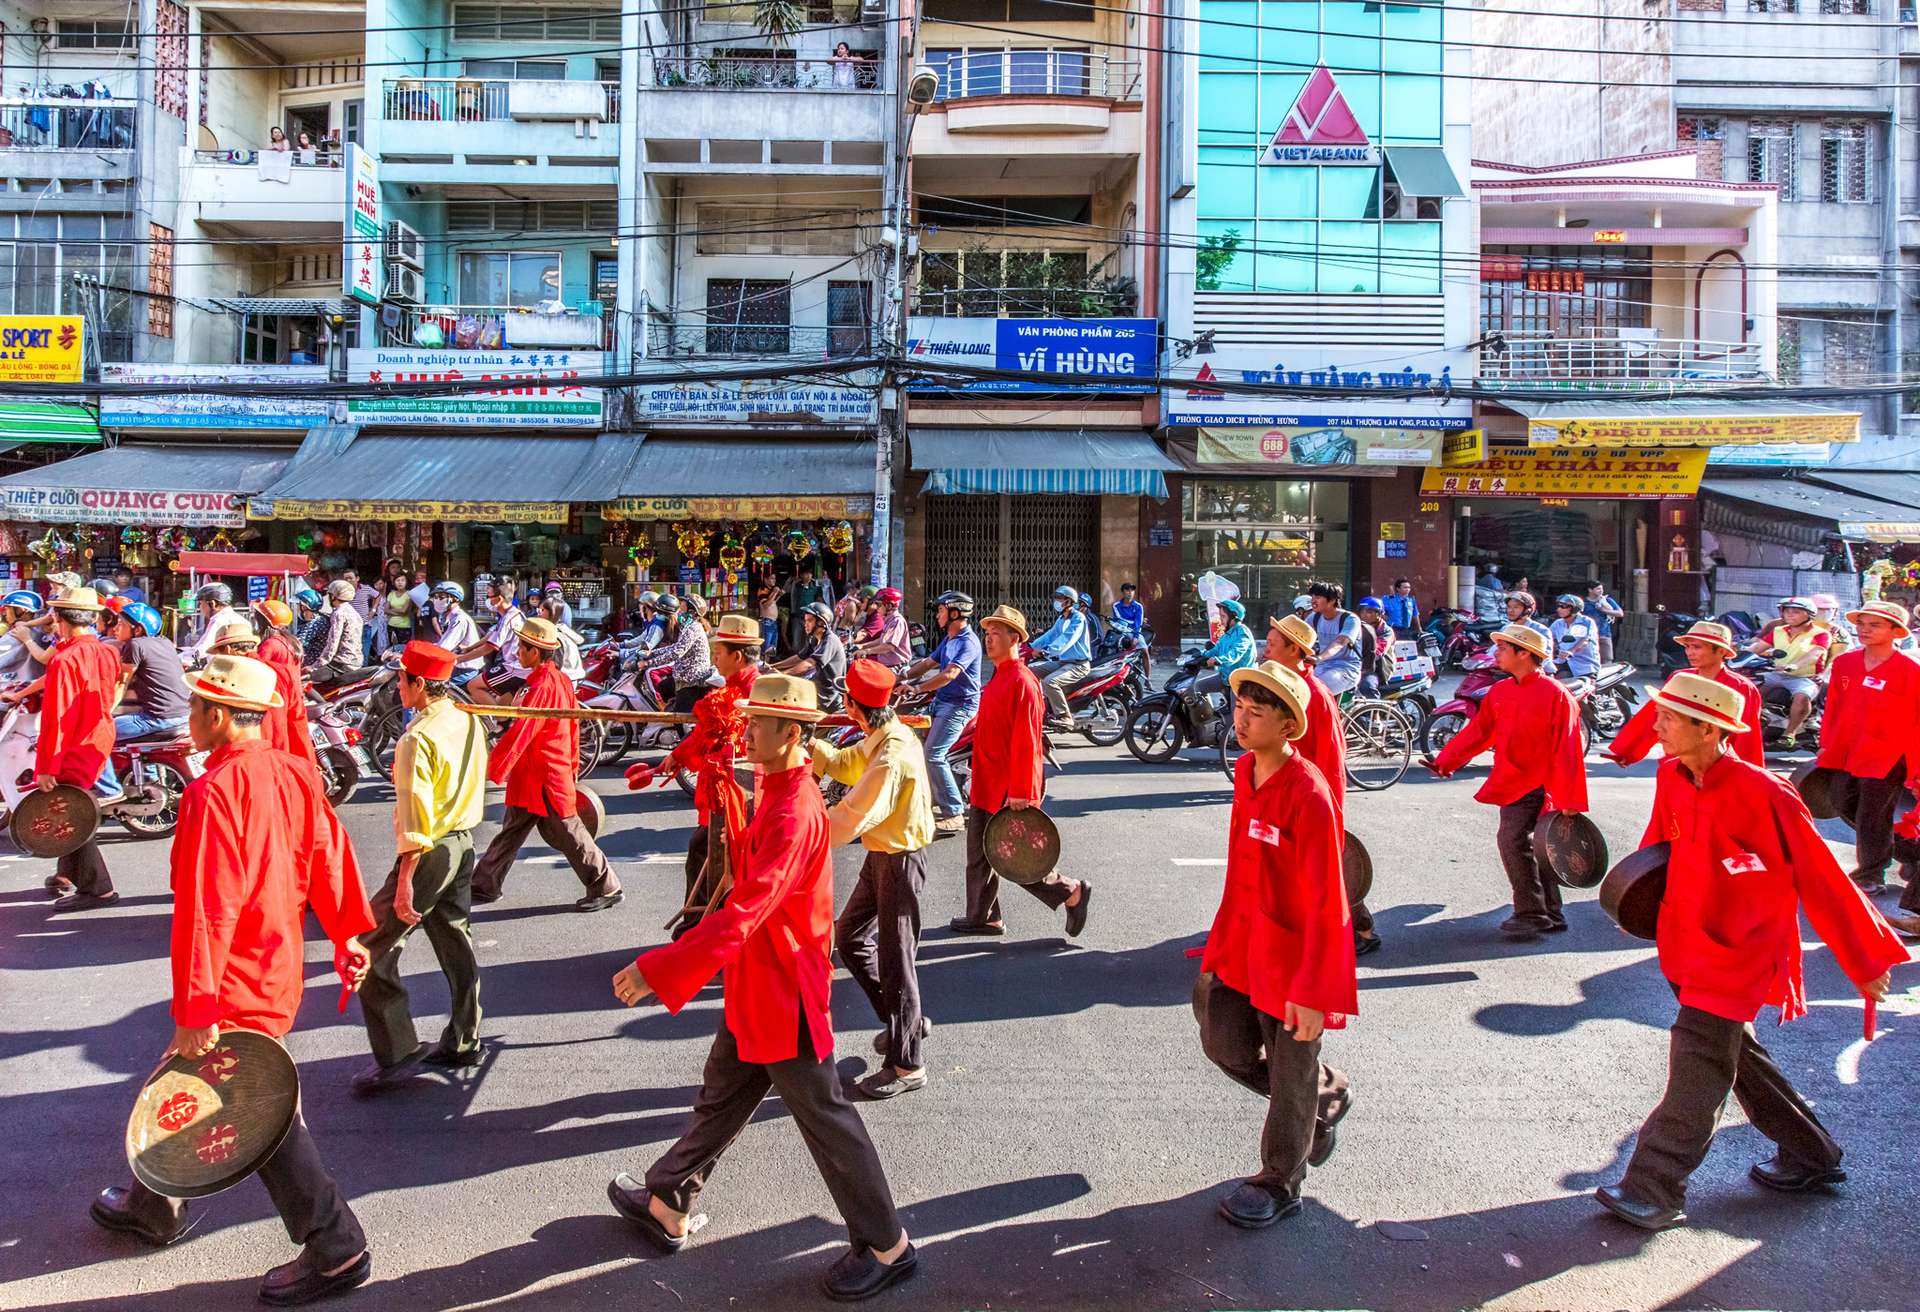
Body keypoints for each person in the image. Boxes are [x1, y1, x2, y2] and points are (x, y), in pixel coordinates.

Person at [607, 674, 917, 1302]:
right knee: (720, 1096)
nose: (748, 731)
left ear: (793, 733)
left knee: (828, 1121)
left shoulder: (795, 807)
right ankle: (669, 1197)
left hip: (783, 992)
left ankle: (889, 1245)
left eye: (759, 724)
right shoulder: (775, 790)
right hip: (757, 983)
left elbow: (746, 910)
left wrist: (663, 968)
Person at [87, 653, 378, 1305]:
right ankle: (152, 1203)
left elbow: (206, 908)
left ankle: (336, 1245)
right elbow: (330, 855)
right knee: (191, 1086)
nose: (187, 718)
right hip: (275, 965)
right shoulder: (295, 772)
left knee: (256, 1108)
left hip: (234, 978)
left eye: (194, 708)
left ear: (218, 715)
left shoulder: (213, 792)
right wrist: (348, 935)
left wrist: (197, 1005)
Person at [1593, 672, 1907, 1234]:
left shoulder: (1766, 792)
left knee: (1700, 1062)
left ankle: (1654, 1186)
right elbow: (1658, 850)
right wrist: (1633, 906)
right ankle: (1813, 1156)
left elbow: (1822, 878)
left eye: (1668, 718)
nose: (1656, 726)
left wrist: (1865, 959)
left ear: (1709, 729)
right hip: (1684, 941)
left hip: (1740, 951)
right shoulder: (1673, 774)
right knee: (1740, 1058)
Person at [1200, 659, 1357, 1229]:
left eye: (1256, 712)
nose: (1240, 720)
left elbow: (1327, 903)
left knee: (1290, 1075)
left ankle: (1279, 1181)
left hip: (1295, 962)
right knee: (1224, 1045)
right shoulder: (1245, 772)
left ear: (1289, 726)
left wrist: (1317, 991)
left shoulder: (1309, 794)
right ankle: (1324, 1096)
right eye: (1239, 708)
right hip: (1243, 947)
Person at [351, 641, 489, 1096]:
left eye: (402, 681)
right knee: (454, 940)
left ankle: (397, 1050)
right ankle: (465, 1036)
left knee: (369, 948)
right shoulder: (467, 718)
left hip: (429, 851)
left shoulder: (416, 738)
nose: (399, 690)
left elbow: (416, 815)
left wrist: (406, 879)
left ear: (419, 684)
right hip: (463, 842)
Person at [812, 659, 937, 1100]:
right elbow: (850, 763)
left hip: (900, 861)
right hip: (883, 855)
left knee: (896, 962)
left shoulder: (892, 754)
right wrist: (816, 750)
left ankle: (907, 1064)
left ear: (852, 706)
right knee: (848, 937)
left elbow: (856, 812)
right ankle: (905, 1022)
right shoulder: (885, 736)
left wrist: (806, 833)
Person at [1428, 623, 1589, 939]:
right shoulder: (1500, 692)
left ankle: (1532, 913)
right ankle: (1550, 913)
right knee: (1536, 847)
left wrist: (1570, 800)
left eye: (1503, 648)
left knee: (1514, 841)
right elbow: (1478, 732)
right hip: (1512, 780)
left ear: (1525, 654)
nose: (1496, 653)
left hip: (1542, 785)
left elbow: (1569, 749)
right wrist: (1445, 761)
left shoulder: (1557, 696)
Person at [949, 606, 1091, 938]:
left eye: (996, 633)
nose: (989, 638)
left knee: (1018, 859)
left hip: (1006, 788)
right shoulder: (999, 676)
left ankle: (1071, 891)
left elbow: (1028, 741)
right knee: (979, 854)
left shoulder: (1023, 681)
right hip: (985, 781)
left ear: (1015, 638)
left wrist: (1021, 790)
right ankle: (984, 916)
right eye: (987, 633)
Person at [471, 618, 621, 912]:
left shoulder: (542, 685)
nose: (517, 653)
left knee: (569, 832)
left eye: (521, 648)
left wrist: (493, 766)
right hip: (539, 771)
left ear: (535, 652)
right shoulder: (558, 681)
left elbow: (524, 730)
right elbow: (573, 728)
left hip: (543, 774)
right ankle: (485, 884)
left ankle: (606, 885)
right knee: (511, 831)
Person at [628, 614, 764, 936]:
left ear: (737, 656)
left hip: (742, 792)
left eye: (719, 652)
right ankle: (700, 927)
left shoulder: (756, 692)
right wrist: (673, 759)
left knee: (719, 856)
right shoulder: (733, 688)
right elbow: (705, 735)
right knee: (713, 854)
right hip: (732, 789)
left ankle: (703, 931)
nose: (713, 658)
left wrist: (676, 758)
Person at [3, 587, 123, 909]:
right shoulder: (106, 651)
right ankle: (66, 875)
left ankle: (99, 889)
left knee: (68, 810)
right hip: (97, 738)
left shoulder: (64, 660)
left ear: (58, 617)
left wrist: (46, 768)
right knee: (68, 804)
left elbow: (57, 720)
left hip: (73, 745)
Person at [1267, 613, 1377, 955]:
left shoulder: (1316, 694)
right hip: (1284, 795)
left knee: (1325, 871)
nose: (1265, 649)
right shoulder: (1280, 686)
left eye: (1272, 644)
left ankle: (1362, 930)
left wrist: (1327, 811)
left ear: (1294, 650)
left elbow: (1331, 761)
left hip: (1310, 799)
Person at [1815, 600, 1920, 896]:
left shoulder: (1911, 670)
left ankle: (1871, 874)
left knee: (1872, 814)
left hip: (1888, 755)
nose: (1864, 630)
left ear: (1895, 631)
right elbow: (1833, 706)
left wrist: (1915, 769)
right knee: (1841, 801)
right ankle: (1910, 852)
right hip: (1847, 750)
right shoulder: (1845, 663)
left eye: (1874, 625)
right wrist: (1826, 745)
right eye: (1861, 623)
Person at [1609, 621, 1764, 769]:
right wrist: (1627, 751)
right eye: (1687, 647)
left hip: (1719, 766)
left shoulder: (1742, 687)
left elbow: (1747, 738)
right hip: (1677, 762)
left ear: (1721, 651)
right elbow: (1654, 716)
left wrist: (1747, 777)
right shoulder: (1680, 678)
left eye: (1696, 647)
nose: (1690, 652)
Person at [904, 591, 981, 834]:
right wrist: (899, 676)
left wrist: (916, 688)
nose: (937, 615)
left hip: (960, 706)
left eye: (940, 610)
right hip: (942, 701)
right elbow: (928, 663)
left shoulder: (968, 642)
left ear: (954, 613)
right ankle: (932, 793)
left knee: (934, 754)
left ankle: (953, 812)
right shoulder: (950, 638)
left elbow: (949, 675)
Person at [1748, 596, 1832, 751]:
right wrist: (1735, 653)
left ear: (1809, 614)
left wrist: (1795, 665)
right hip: (1775, 673)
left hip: (1803, 677)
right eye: (1787, 611)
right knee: (1749, 689)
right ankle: (1752, 724)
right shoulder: (1778, 630)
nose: (1790, 615)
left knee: (1802, 697)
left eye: (1796, 612)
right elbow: (1758, 648)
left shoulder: (1821, 634)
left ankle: (1790, 733)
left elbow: (1816, 653)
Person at [251, 600, 319, 774]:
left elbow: (257, 668)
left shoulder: (270, 644)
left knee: (278, 742)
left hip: (277, 701)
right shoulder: (291, 641)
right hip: (294, 699)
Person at [110, 602, 191, 743]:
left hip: (159, 719)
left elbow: (122, 683)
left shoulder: (135, 645)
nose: (115, 628)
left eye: (120, 624)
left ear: (137, 630)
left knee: (97, 733)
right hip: (185, 715)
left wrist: (104, 712)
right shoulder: (165, 642)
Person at [638, 594, 715, 713]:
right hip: (682, 675)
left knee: (680, 720)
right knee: (662, 688)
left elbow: (676, 652)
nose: (679, 610)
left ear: (690, 610)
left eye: (682, 606)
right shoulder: (687, 627)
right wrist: (652, 653)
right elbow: (675, 647)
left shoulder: (693, 628)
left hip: (691, 680)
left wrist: (649, 663)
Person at [1029, 584, 1093, 726]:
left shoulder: (1078, 618)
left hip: (1078, 665)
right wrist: (1030, 646)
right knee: (1030, 671)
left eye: (1060, 598)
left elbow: (1067, 639)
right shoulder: (1061, 619)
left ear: (1069, 601)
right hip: (1064, 662)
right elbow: (1049, 636)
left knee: (1050, 681)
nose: (1056, 601)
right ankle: (1039, 706)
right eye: (1056, 598)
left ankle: (1065, 716)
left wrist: (1047, 651)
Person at [458, 583, 528, 706]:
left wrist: (459, 660)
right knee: (502, 706)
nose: (487, 600)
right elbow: (491, 636)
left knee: (473, 686)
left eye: (489, 596)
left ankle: (492, 723)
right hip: (518, 666)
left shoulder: (508, 618)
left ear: (499, 599)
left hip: (515, 667)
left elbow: (490, 647)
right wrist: (469, 648)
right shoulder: (512, 614)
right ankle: (500, 723)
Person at [777, 600, 847, 712]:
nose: (805, 624)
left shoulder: (830, 640)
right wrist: (774, 666)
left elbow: (809, 664)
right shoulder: (815, 639)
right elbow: (800, 657)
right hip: (815, 687)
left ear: (822, 623)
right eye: (805, 621)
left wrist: (783, 674)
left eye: (809, 621)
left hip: (826, 697)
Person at [1194, 598, 1255, 704]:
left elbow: (1235, 653)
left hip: (1240, 680)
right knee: (1199, 686)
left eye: (1223, 616)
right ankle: (1208, 716)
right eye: (1220, 616)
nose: (1220, 620)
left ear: (1233, 617)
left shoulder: (1242, 633)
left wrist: (1218, 660)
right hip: (1226, 676)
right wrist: (1199, 655)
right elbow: (1215, 649)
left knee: (1234, 713)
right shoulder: (1227, 634)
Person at [1307, 582, 1363, 697]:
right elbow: (1300, 636)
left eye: (1317, 597)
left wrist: (1319, 657)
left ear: (1332, 600)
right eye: (1312, 597)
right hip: (1322, 667)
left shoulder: (1350, 619)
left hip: (1346, 669)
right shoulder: (1314, 617)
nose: (1313, 600)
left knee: (1316, 693)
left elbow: (1340, 642)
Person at [309, 580, 365, 685]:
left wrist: (315, 665)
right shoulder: (354, 612)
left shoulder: (339, 613)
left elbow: (332, 643)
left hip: (341, 663)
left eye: (329, 594)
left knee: (307, 681)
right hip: (356, 662)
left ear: (334, 596)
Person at [426, 582, 482, 686]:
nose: (437, 600)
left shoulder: (459, 619)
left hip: (464, 669)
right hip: (456, 665)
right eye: (435, 597)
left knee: (431, 688)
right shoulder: (448, 618)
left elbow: (443, 648)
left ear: (454, 599)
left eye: (441, 597)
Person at [182, 582, 242, 667]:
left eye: (201, 603)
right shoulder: (239, 619)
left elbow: (202, 650)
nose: (200, 607)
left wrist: (178, 658)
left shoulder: (220, 621)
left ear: (213, 603)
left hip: (219, 673)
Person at [851, 587, 911, 670]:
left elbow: (889, 646)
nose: (876, 607)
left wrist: (866, 651)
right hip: (885, 664)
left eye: (879, 604)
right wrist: (861, 646)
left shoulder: (897, 621)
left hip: (896, 668)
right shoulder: (888, 620)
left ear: (889, 606)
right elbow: (882, 640)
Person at [1501, 590, 1557, 676]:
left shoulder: (1540, 630)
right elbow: (1497, 649)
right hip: (1510, 672)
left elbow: (1545, 656)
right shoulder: (1506, 628)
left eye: (1516, 607)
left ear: (1527, 610)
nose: (1510, 610)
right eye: (1508, 607)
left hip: (1539, 674)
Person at [0, 589, 48, 685]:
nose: (4, 613)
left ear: (21, 610)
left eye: (7, 608)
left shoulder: (18, 633)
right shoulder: (43, 631)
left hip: (12, 687)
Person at [1549, 593, 1601, 680]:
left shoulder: (1586, 622)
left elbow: (1585, 640)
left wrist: (1571, 651)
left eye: (1563, 606)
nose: (1559, 609)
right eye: (1558, 606)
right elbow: (1548, 638)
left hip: (1584, 665)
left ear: (1574, 609)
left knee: (1586, 688)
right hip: (1562, 661)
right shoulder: (1558, 623)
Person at [1353, 595, 1392, 697]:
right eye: (1362, 611)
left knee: (1366, 686)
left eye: (1369, 612)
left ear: (1379, 614)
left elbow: (1378, 653)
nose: (1365, 615)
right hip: (1356, 665)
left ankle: (1376, 711)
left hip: (1376, 668)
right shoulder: (1356, 627)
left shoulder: (1385, 631)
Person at [785, 561, 827, 654]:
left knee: (808, 641)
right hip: (797, 617)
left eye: (810, 574)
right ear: (801, 575)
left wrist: (825, 578)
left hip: (809, 619)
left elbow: (824, 591)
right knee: (796, 642)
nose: (808, 576)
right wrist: (791, 579)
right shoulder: (796, 586)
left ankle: (806, 660)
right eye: (805, 574)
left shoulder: (815, 587)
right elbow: (785, 590)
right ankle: (795, 659)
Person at [344, 569, 382, 663]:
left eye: (350, 578)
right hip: (349, 628)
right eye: (345, 579)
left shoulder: (366, 588)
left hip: (364, 626)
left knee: (364, 653)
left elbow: (377, 596)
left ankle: (363, 674)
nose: (348, 581)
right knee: (351, 654)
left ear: (357, 578)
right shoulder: (342, 591)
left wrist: (373, 610)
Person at [1584, 581, 1623, 664]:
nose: (1601, 591)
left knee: (1607, 660)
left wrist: (1603, 610)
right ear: (1590, 590)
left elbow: (1620, 613)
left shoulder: (1607, 600)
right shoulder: (1584, 603)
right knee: (1589, 659)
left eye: (1602, 589)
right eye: (1598, 589)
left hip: (1604, 634)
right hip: (1587, 636)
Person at [381, 563, 414, 654]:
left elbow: (404, 611)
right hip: (391, 625)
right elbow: (385, 610)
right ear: (394, 583)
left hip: (404, 626)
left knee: (403, 650)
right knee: (393, 649)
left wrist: (392, 610)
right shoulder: (391, 594)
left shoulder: (409, 594)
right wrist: (399, 612)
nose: (400, 582)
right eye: (398, 580)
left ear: (406, 582)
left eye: (402, 580)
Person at [293, 588, 329, 668]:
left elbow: (298, 644)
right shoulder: (309, 619)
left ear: (303, 607)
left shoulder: (315, 622)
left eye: (297, 605)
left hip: (312, 663)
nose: (296, 607)